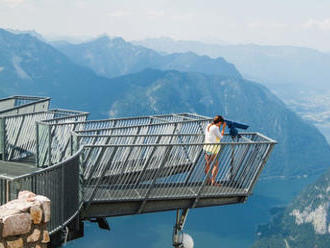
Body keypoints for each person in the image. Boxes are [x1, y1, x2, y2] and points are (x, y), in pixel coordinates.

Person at [203, 115, 226, 185]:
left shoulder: (209, 125)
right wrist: (223, 128)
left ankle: (208, 179)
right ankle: (213, 181)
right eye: (221, 123)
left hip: (206, 147)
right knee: (215, 165)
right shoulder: (215, 128)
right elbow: (221, 137)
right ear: (219, 122)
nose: (221, 124)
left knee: (207, 164)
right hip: (213, 149)